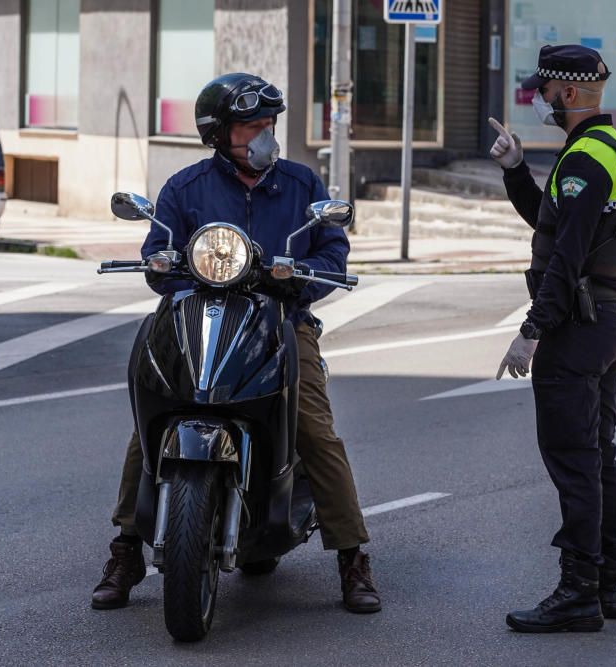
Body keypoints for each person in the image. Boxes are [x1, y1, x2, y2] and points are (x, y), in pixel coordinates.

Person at [91, 73, 381, 615]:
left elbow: (332, 255)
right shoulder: (185, 188)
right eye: (250, 126)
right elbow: (158, 253)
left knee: (315, 428)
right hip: (197, 320)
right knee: (152, 418)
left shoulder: (301, 185)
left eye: (268, 124)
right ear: (218, 133)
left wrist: (295, 279)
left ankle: (352, 556)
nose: (263, 135)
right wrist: (165, 265)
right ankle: (126, 549)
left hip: (279, 320)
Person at [488, 44, 616, 633]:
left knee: (576, 463)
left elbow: (567, 256)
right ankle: (606, 585)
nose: (540, 98)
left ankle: (579, 591)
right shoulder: (611, 148)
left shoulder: (585, 159)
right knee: (598, 457)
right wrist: (516, 170)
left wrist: (532, 331)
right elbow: (555, 223)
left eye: (546, 90)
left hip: (579, 329)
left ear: (570, 93)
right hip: (608, 320)